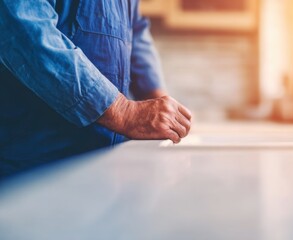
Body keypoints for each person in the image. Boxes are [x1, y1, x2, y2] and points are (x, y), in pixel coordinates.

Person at [0, 0, 192, 176]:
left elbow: (136, 32)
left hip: (104, 166)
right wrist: (124, 112)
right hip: (34, 166)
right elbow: (25, 30)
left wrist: (164, 110)